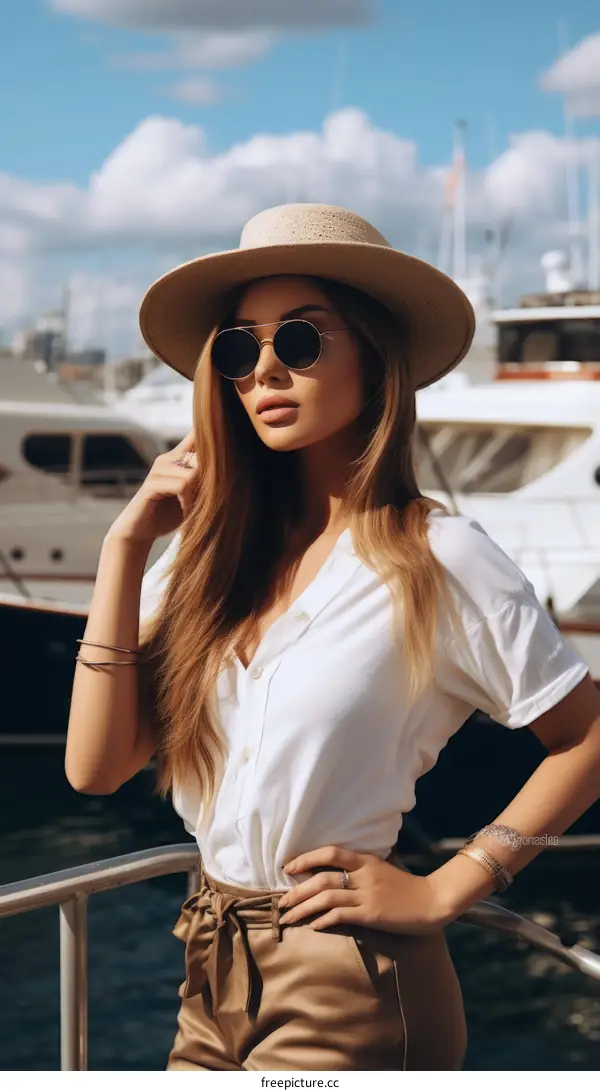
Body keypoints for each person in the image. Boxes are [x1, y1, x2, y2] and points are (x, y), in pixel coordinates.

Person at [65, 203, 600, 1072]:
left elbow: (586, 736)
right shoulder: (203, 568)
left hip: (351, 978)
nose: (266, 368)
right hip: (208, 966)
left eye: (302, 340)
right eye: (239, 349)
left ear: (376, 357)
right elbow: (95, 767)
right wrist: (125, 547)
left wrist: (451, 886)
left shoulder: (441, 555)